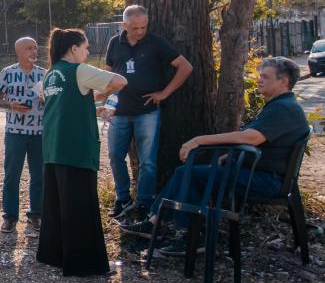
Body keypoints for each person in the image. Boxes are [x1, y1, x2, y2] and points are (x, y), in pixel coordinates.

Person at [119, 56, 310, 257]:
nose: (260, 80)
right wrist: (227, 157)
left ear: (284, 81)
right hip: (256, 173)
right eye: (260, 75)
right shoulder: (279, 105)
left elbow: (251, 138)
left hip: (266, 180)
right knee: (188, 172)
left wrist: (200, 140)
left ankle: (192, 235)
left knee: (190, 174)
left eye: (266, 77)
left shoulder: (284, 108)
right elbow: (258, 141)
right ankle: (156, 222)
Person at [36, 29, 127, 277]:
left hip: (54, 147)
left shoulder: (50, 74)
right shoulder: (80, 71)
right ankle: (84, 264)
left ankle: (55, 256)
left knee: (57, 206)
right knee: (80, 206)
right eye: (86, 48)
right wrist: (104, 93)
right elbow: (120, 81)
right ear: (74, 49)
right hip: (76, 148)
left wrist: (93, 104)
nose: (88, 53)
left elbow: (64, 103)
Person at [103, 5, 194, 220]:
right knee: (115, 157)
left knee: (148, 162)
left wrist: (164, 93)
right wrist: (107, 103)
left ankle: (144, 202)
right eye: (135, 28)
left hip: (147, 112)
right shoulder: (115, 43)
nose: (140, 31)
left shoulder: (156, 42)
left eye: (143, 27)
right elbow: (108, 76)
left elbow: (185, 67)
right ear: (124, 25)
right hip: (119, 111)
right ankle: (122, 198)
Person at [0, 37, 47, 236]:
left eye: (35, 48)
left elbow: (53, 101)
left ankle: (36, 214)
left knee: (39, 175)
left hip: (39, 132)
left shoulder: (44, 74)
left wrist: (45, 98)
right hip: (15, 131)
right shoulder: (8, 73)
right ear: (19, 52)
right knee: (12, 175)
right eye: (29, 48)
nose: (34, 51)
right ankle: (9, 217)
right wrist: (11, 105)